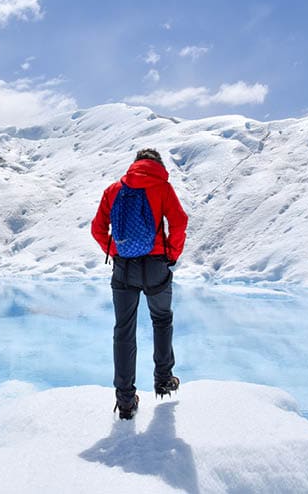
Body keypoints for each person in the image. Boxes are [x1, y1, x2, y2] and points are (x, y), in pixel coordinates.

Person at [91, 148, 188, 420]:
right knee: (161, 319)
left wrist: (115, 254)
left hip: (124, 268)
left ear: (134, 164)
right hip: (156, 264)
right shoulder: (163, 187)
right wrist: (172, 253)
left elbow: (98, 229)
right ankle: (164, 379)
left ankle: (125, 401)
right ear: (157, 165)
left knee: (124, 330)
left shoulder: (114, 190)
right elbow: (179, 222)